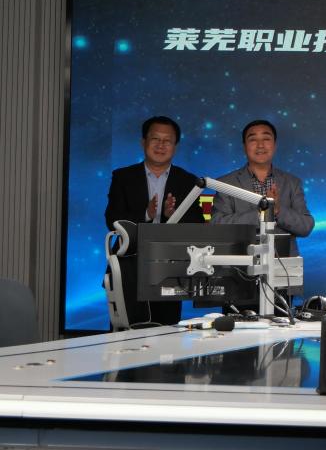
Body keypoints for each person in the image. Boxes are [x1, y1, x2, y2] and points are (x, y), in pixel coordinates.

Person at [104, 115, 205, 327]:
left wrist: (172, 216)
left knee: (166, 335)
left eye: (167, 141)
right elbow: (112, 219)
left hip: (170, 271)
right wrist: (147, 215)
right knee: (125, 335)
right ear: (143, 142)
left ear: (175, 146)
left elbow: (198, 226)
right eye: (155, 139)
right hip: (129, 268)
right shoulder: (123, 177)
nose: (161, 145)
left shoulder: (188, 181)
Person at [212, 120, 314, 257]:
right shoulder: (226, 183)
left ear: (275, 145)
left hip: (284, 264)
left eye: (266, 139)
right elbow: (218, 225)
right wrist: (261, 214)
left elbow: (306, 226)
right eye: (253, 139)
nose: (260, 145)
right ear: (244, 146)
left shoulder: (292, 182)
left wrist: (277, 210)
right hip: (240, 262)